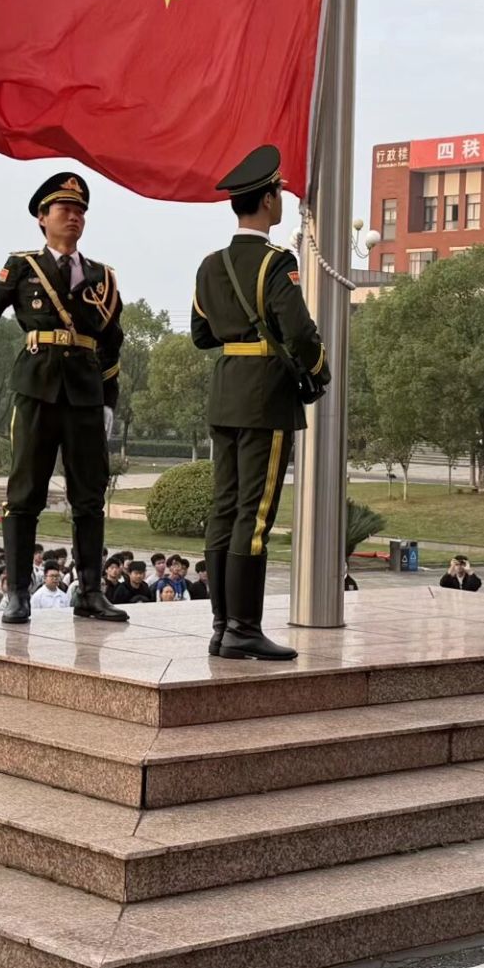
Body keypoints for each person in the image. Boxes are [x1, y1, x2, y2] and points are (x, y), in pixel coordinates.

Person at [0, 171, 129, 626]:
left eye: (80, 211)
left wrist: (108, 400)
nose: (74, 217)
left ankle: (90, 591)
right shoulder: (23, 266)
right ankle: (17, 594)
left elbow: (112, 344)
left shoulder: (102, 277)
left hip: (85, 392)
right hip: (37, 387)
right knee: (24, 493)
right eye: (65, 209)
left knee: (89, 495)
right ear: (42, 218)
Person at [190, 144, 331, 660]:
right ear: (268, 200)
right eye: (279, 193)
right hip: (264, 396)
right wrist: (318, 370)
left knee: (224, 509)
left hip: (226, 390)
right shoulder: (276, 262)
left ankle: (222, 626)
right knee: (255, 513)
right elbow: (299, 330)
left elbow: (201, 334)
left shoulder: (211, 265)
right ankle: (244, 628)